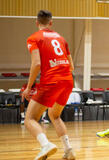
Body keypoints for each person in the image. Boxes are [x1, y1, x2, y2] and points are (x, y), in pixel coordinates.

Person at [22, 10, 75, 160]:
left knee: (30, 119)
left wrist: (28, 87)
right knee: (54, 115)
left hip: (52, 81)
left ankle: (45, 145)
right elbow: (71, 66)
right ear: (51, 23)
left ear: (37, 22)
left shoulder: (33, 38)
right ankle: (68, 150)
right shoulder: (61, 38)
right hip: (67, 81)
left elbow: (37, 63)